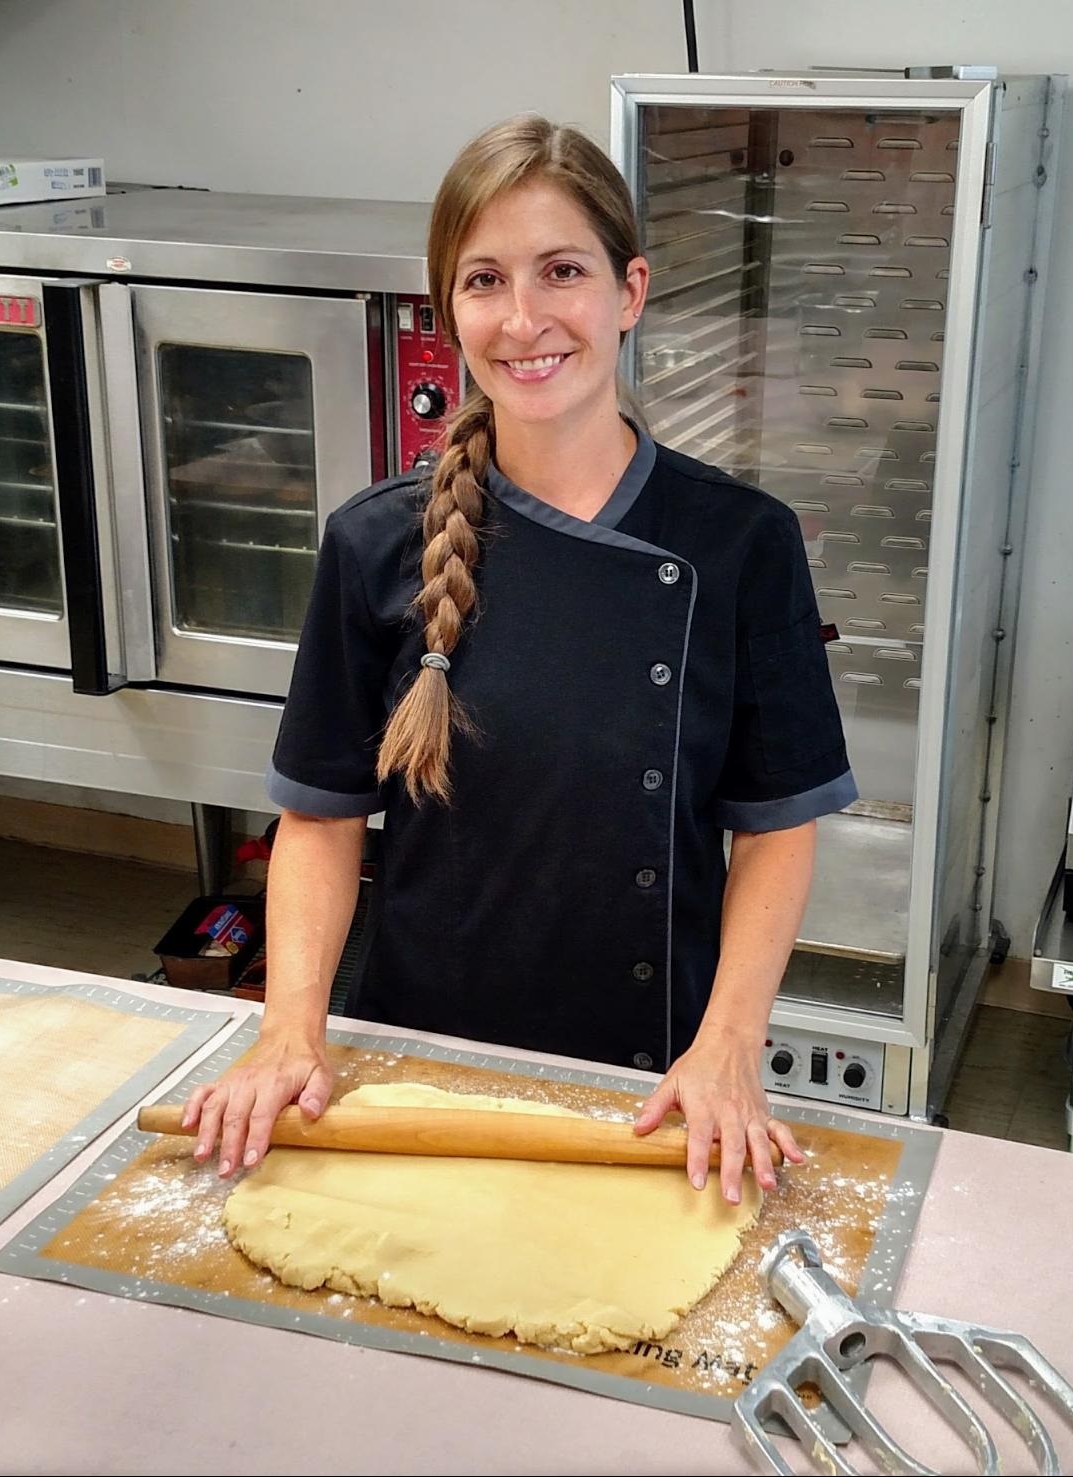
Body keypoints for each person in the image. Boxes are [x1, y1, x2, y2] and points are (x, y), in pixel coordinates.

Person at [184, 113, 855, 1202]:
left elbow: (777, 826)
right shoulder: (374, 541)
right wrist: (289, 1031)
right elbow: (319, 817)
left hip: (656, 1074)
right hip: (416, 1055)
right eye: (484, 280)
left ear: (628, 292)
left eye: (561, 272)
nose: (525, 318)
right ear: (447, 308)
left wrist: (730, 1042)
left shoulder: (739, 541)